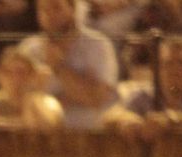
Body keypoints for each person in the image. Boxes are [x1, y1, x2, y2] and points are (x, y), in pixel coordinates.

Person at [18, 0, 119, 128]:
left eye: (56, 7)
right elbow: (16, 100)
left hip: (87, 135)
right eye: (43, 9)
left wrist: (58, 68)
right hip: (40, 136)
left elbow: (97, 98)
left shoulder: (97, 45)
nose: (49, 14)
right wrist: (75, 91)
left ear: (72, 9)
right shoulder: (29, 49)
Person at [104, 32, 182, 136]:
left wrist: (171, 120)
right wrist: (128, 120)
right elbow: (111, 115)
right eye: (167, 63)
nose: (174, 70)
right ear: (156, 69)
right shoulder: (145, 94)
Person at [0, 41, 65, 125]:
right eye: (7, 72)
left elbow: (44, 131)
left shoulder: (49, 106)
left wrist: (33, 95)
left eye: (21, 72)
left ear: (32, 75)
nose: (15, 79)